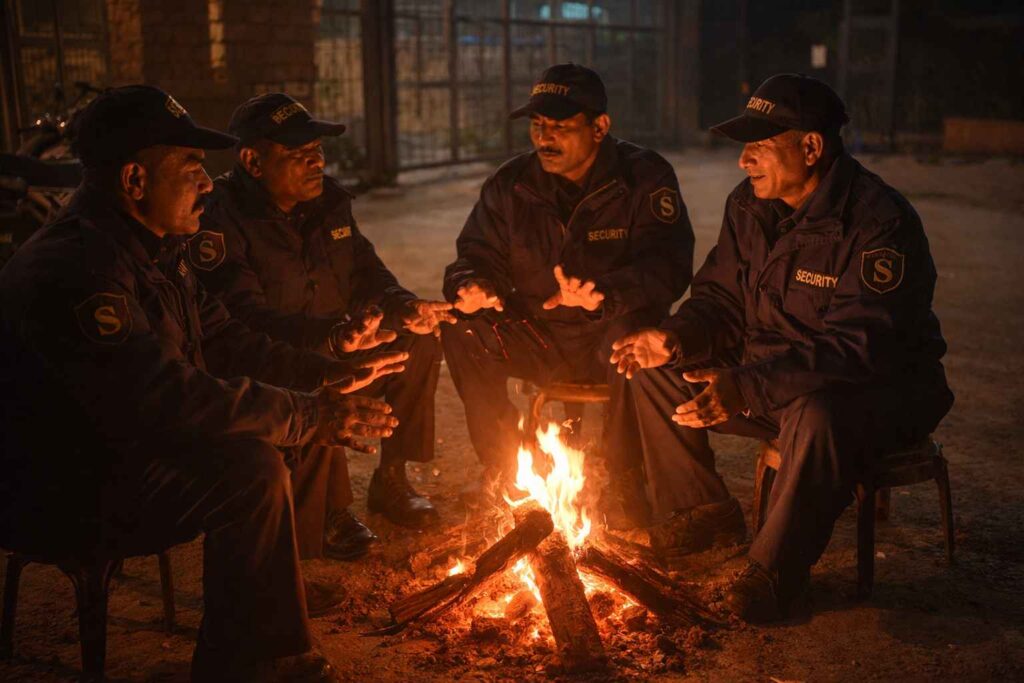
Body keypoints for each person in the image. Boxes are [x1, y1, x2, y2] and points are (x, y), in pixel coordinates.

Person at [0, 85, 407, 681]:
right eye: (191, 167)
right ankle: (248, 659)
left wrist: (329, 376)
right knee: (250, 466)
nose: (207, 183)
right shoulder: (80, 271)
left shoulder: (153, 249)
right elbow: (166, 397)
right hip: (59, 486)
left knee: (267, 434)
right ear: (135, 181)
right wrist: (309, 415)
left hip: (114, 453)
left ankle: (265, 609)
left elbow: (228, 341)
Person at [609, 73, 954, 621]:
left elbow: (857, 349)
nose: (744, 161)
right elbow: (720, 300)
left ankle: (772, 575)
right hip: (772, 377)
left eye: (760, 146)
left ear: (811, 147)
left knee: (819, 414)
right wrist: (674, 337)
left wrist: (744, 385)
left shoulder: (878, 222)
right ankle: (704, 509)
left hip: (876, 391)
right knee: (655, 367)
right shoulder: (748, 205)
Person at [441, 63, 698, 522]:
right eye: (538, 126)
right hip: (538, 334)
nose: (545, 138)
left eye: (560, 126)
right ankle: (506, 471)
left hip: (608, 331)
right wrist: (473, 285)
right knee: (464, 331)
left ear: (600, 127)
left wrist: (604, 296)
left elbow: (670, 265)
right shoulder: (511, 183)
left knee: (631, 335)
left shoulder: (645, 177)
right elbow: (476, 251)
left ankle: (623, 478)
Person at [191, 93, 452, 539]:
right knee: (317, 376)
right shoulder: (220, 219)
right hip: (281, 359)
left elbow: (367, 272)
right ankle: (328, 508)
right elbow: (242, 322)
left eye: (317, 152)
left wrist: (405, 307)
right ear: (253, 162)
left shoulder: (328, 202)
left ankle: (390, 479)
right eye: (298, 155)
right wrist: (330, 339)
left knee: (416, 340)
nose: (315, 163)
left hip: (340, 342)